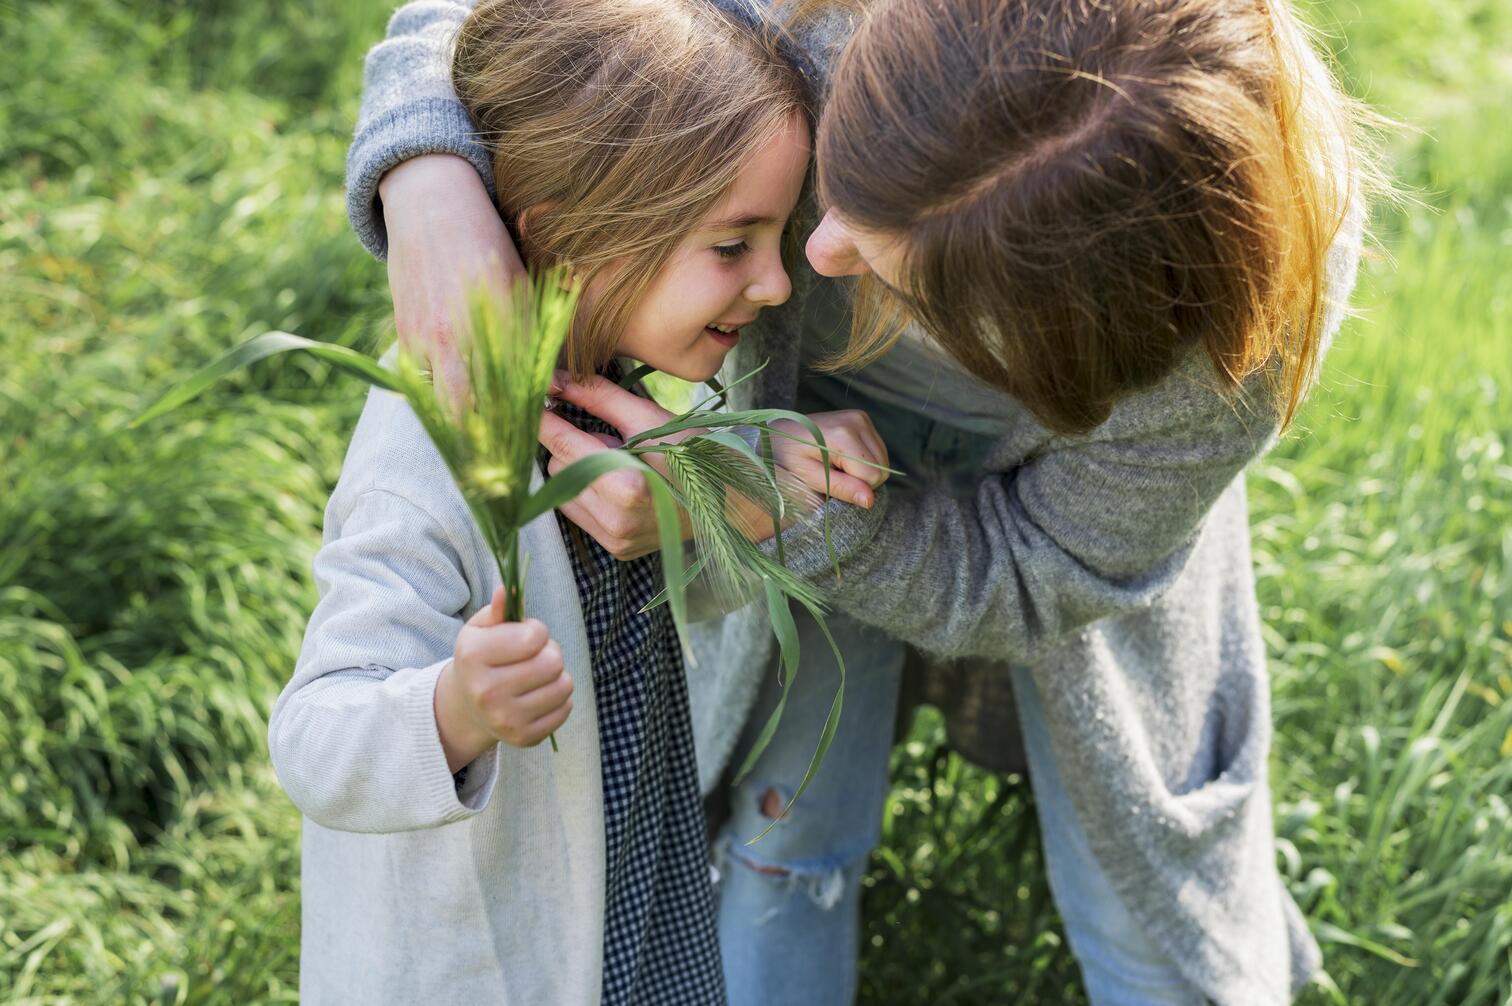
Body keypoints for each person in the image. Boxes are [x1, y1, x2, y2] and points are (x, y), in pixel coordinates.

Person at [344, 0, 1378, 1003]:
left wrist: (772, 508)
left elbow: (1044, 572)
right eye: (845, 164)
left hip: (1008, 508)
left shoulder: (1228, 342)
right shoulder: (814, 13)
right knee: (782, 812)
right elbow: (513, 24)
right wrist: (427, 167)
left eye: (903, 271)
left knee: (1146, 899)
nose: (818, 255)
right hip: (807, 420)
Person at [266, 1, 889, 1002]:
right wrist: (455, 708)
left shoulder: (606, 390)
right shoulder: (433, 460)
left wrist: (760, 485)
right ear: (570, 241)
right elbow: (312, 737)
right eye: (733, 245)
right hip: (498, 958)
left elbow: (651, 599)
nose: (775, 283)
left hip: (632, 897)